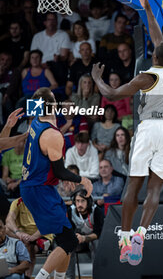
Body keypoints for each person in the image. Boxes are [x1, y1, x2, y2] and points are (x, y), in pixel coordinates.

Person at [91, 0, 163, 265]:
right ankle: (142, 233)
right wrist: (146, 8)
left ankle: (125, 237)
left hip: (150, 129)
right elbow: (159, 40)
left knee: (134, 186)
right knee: (154, 189)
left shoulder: (147, 77)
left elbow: (111, 94)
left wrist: (97, 78)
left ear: (155, 58)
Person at [19, 87, 93, 279]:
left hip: (38, 186)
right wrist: (81, 180)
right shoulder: (52, 135)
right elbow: (60, 169)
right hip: (38, 190)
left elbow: (49, 157)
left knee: (66, 238)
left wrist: (63, 178)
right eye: (54, 100)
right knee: (69, 242)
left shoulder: (36, 122)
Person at [5, 197, 53, 278]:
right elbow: (9, 220)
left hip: (41, 234)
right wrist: (18, 233)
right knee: (5, 229)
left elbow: (47, 224)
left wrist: (32, 237)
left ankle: (27, 276)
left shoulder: (44, 202)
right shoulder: (17, 202)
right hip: (22, 235)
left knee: (30, 247)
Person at [66, 186, 104, 279]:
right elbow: (70, 230)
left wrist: (84, 238)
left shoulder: (96, 211)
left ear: (89, 202)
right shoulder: (71, 210)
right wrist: (74, 238)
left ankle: (98, 275)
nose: (79, 204)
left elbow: (98, 233)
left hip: (92, 239)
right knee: (68, 244)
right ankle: (69, 277)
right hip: (78, 240)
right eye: (77, 201)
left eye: (82, 201)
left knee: (96, 243)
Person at [1, 132, 26, 198]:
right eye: (15, 141)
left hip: (24, 179)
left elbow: (29, 174)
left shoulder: (28, 154)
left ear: (24, 142)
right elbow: (5, 175)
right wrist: (7, 179)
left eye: (20, 141)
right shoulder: (7, 154)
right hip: (13, 179)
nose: (18, 144)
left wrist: (16, 183)